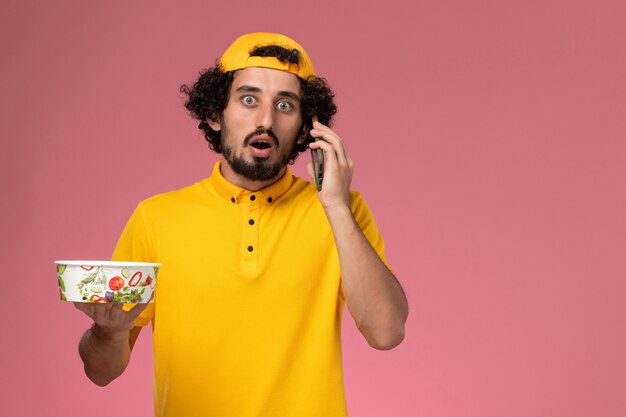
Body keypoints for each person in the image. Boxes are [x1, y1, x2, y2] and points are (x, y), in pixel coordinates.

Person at [74, 32, 408, 417]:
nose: (266, 120)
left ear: (304, 129)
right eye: (248, 100)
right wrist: (108, 330)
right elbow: (100, 372)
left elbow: (387, 333)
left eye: (285, 105)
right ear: (215, 114)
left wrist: (334, 205)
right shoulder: (156, 218)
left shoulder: (342, 211)